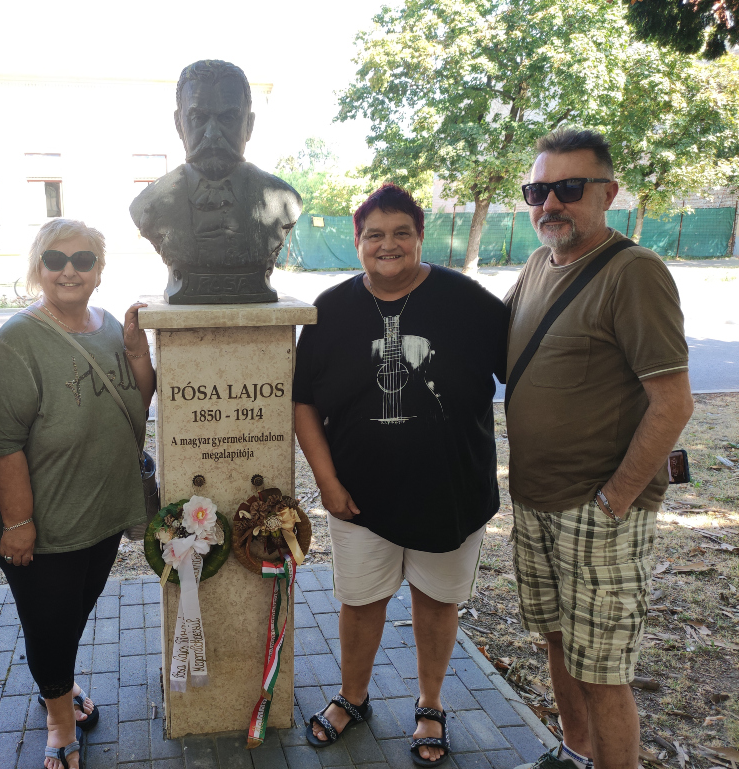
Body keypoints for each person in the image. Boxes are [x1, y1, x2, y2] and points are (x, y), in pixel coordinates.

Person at [293, 184, 509, 765]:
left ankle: (430, 705)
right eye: (374, 235)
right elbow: (303, 401)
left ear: (420, 235)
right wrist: (328, 484)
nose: (387, 245)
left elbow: (529, 371)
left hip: (451, 493)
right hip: (359, 497)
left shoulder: (469, 302)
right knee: (361, 601)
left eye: (400, 233)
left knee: (436, 602)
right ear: (358, 241)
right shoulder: (330, 310)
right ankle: (353, 697)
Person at [505, 129, 693, 769]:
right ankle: (575, 751)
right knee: (558, 642)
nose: (550, 203)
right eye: (538, 191)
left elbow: (674, 404)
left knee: (604, 672)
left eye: (568, 188)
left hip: (597, 512)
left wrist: (615, 501)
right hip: (535, 503)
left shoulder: (634, 273)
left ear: (608, 194)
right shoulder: (539, 265)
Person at [0, 218, 155, 769]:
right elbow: (2, 444)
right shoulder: (18, 340)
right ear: (38, 268)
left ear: (100, 270)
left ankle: (58, 682)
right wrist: (17, 523)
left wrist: (136, 351)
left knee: (74, 614)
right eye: (55, 260)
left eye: (83, 260)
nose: (69, 271)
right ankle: (59, 719)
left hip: (103, 511)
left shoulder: (108, 325)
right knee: (50, 624)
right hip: (46, 522)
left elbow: (137, 402)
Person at [130, 59, 301, 303]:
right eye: (198, 118)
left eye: (228, 118)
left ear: (249, 125)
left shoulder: (283, 200)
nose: (212, 134)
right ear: (179, 125)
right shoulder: (150, 204)